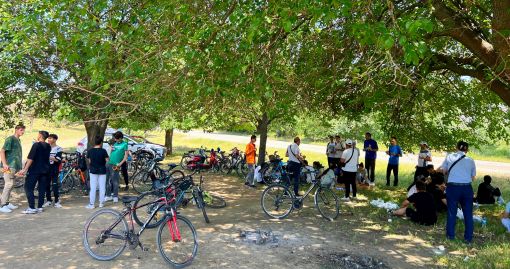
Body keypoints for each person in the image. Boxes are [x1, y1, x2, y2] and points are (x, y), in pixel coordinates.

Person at [439, 141, 476, 243]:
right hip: (467, 188)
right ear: (467, 150)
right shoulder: (471, 160)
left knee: (452, 212)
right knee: (468, 214)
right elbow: (473, 178)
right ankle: (468, 238)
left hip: (453, 187)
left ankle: (450, 236)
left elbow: (444, 170)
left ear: (456, 147)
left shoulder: (450, 156)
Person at [16, 130, 51, 214]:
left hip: (35, 170)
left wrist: (24, 169)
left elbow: (31, 158)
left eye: (38, 134)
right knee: (42, 189)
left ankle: (31, 207)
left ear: (40, 136)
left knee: (28, 188)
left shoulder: (36, 145)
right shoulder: (48, 146)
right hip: (45, 170)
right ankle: (40, 207)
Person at [0, 124, 25, 213]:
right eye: (21, 130)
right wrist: (4, 164)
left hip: (15, 166)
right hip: (8, 166)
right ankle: (2, 205)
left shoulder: (18, 140)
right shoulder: (10, 139)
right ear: (16, 130)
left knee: (12, 183)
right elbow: (2, 151)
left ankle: (7, 203)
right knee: (8, 184)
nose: (23, 132)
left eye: (23, 130)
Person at [86, 136, 110, 209]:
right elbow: (107, 160)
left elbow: (89, 161)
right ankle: (101, 203)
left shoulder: (90, 151)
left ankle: (91, 204)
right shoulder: (103, 151)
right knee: (102, 187)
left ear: (94, 142)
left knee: (93, 187)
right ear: (101, 142)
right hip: (102, 170)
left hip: (93, 170)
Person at [105, 131, 128, 203]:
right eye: (115, 138)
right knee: (107, 180)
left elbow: (125, 156)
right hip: (109, 163)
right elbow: (111, 154)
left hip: (116, 165)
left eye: (116, 138)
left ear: (120, 138)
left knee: (115, 181)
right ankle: (108, 195)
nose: (115, 140)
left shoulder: (125, 144)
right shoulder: (114, 143)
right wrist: (111, 150)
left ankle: (115, 196)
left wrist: (120, 164)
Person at [42, 134, 63, 208]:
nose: (48, 140)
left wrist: (49, 157)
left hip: (54, 169)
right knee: (46, 185)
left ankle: (57, 201)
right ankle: (48, 200)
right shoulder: (46, 147)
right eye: (48, 138)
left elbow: (58, 159)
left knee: (54, 185)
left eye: (50, 138)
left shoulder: (59, 148)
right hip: (46, 169)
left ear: (55, 139)